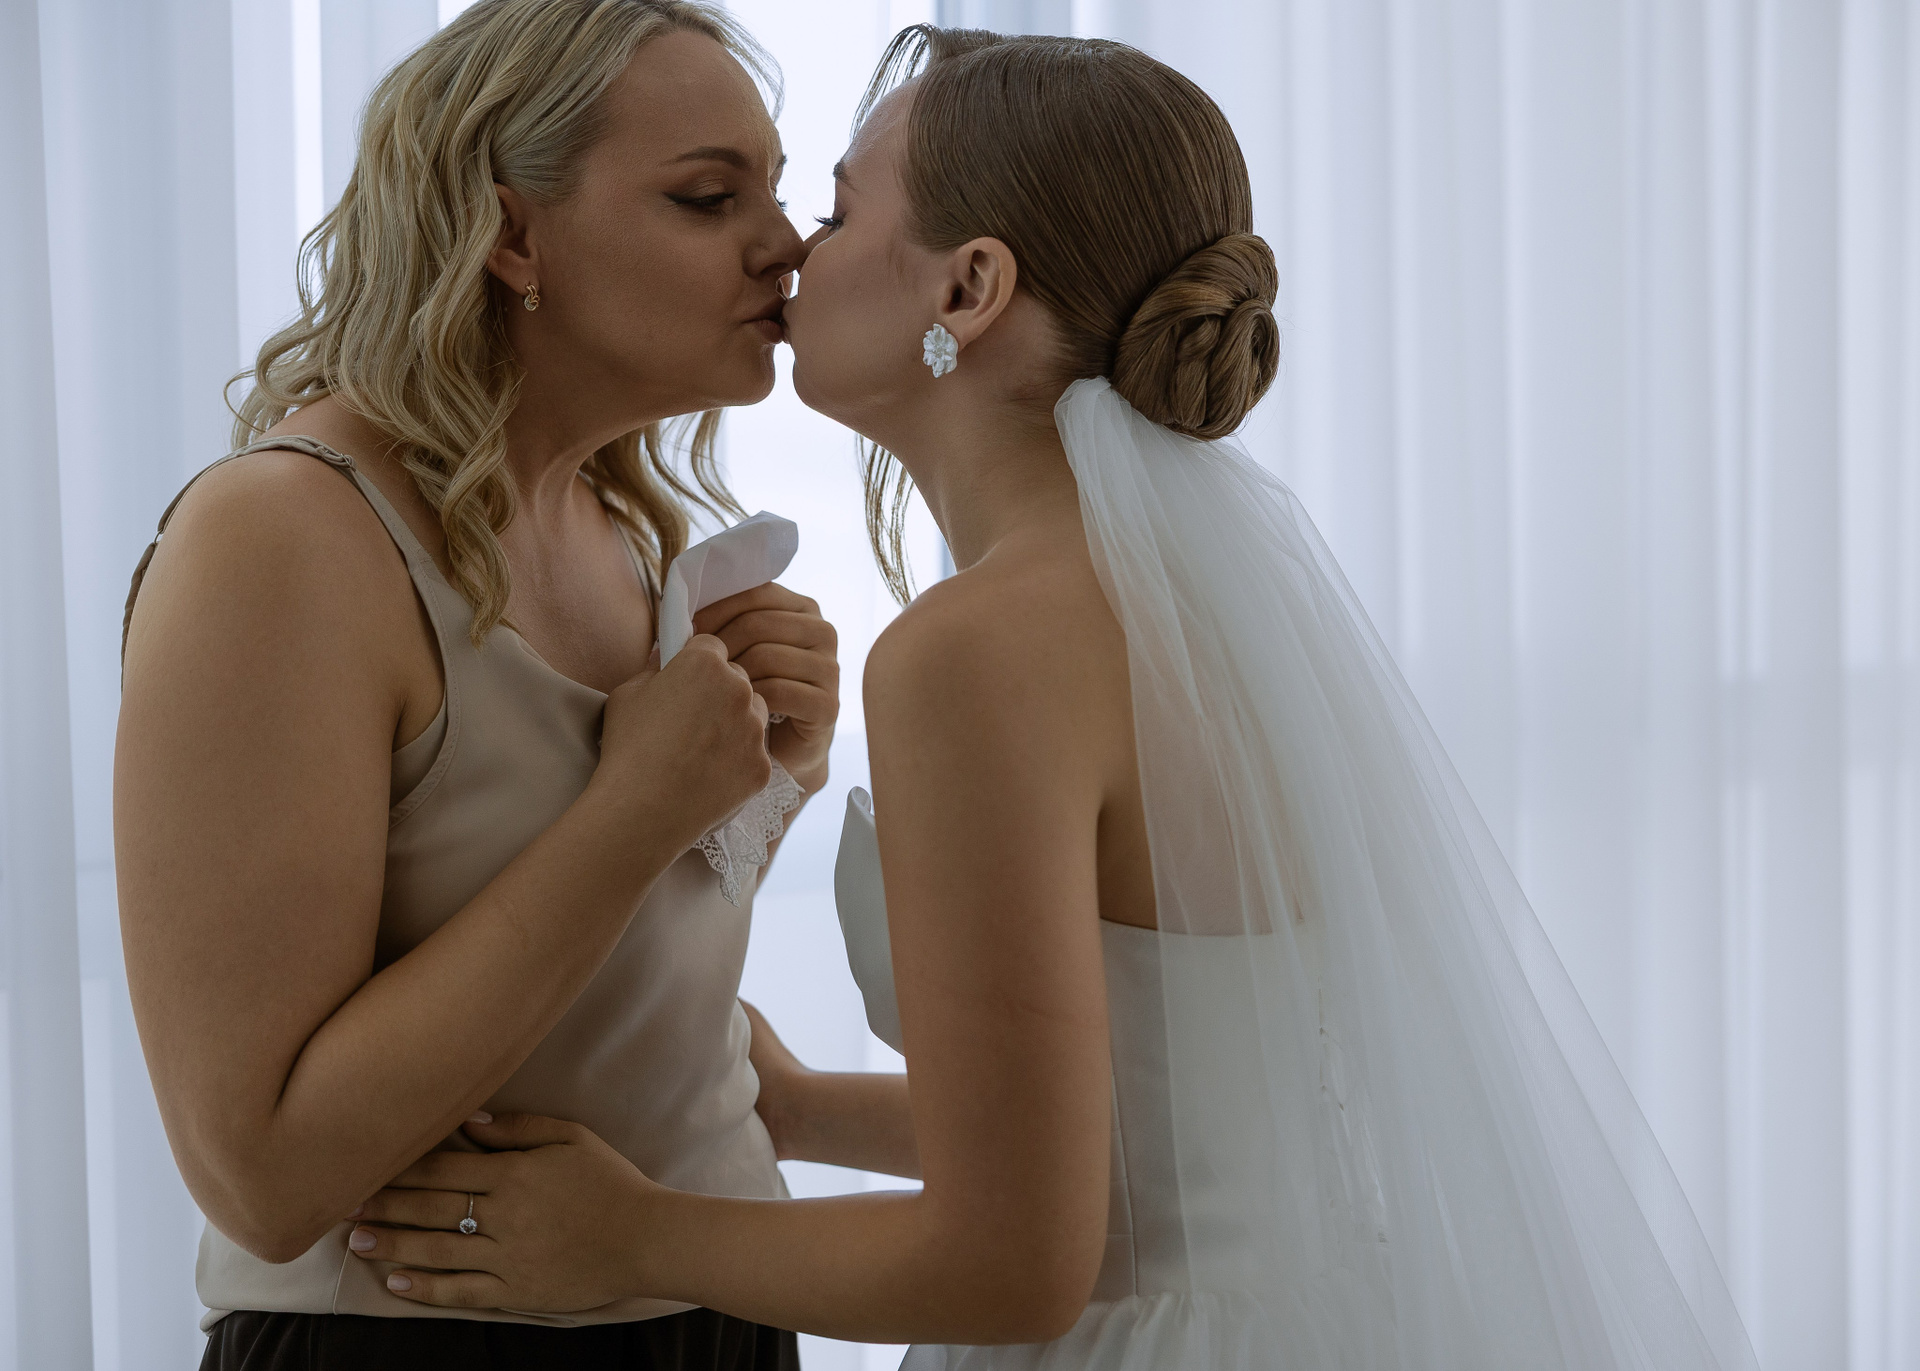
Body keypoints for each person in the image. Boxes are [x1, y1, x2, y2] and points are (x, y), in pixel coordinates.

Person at [346, 25, 1763, 1371]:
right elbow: (1173, 1127)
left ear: (968, 291)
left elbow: (1014, 1263)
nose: (790, 252)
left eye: (836, 213)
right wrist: (800, 1111)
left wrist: (629, 1234)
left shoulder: (980, 653)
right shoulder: (1188, 615)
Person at [113, 2, 838, 1366]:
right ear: (511, 237)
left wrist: (759, 785)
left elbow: (607, 1004)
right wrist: (638, 807)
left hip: (723, 1327)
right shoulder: (283, 540)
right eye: (708, 197)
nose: (787, 245)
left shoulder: (630, 535)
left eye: (780, 190)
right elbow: (262, 1176)